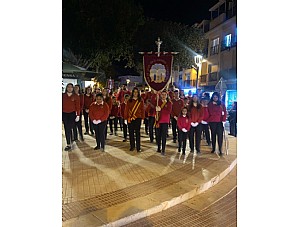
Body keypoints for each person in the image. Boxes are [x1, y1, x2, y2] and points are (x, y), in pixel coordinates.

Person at [124, 87, 145, 152]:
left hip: (138, 118)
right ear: (132, 93)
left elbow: (142, 110)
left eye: (136, 92)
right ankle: (132, 146)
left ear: (138, 93)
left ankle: (138, 147)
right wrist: (125, 118)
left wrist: (142, 118)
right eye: (134, 92)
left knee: (137, 133)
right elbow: (126, 110)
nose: (135, 93)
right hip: (130, 118)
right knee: (131, 133)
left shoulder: (140, 100)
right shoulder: (129, 101)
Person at [62, 83, 81, 151]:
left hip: (72, 114)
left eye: (71, 87)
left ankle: (71, 139)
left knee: (70, 128)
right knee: (66, 128)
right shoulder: (63, 96)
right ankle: (68, 144)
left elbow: (78, 106)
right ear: (66, 88)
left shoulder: (75, 96)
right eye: (68, 87)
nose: (69, 88)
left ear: (73, 89)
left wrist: (78, 115)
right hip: (64, 114)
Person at [155, 90, 172, 155]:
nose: (163, 96)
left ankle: (163, 149)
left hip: (165, 121)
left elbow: (168, 112)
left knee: (164, 136)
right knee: (158, 135)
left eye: (165, 94)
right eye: (162, 94)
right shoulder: (158, 102)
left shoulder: (169, 103)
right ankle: (159, 147)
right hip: (158, 120)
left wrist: (161, 109)